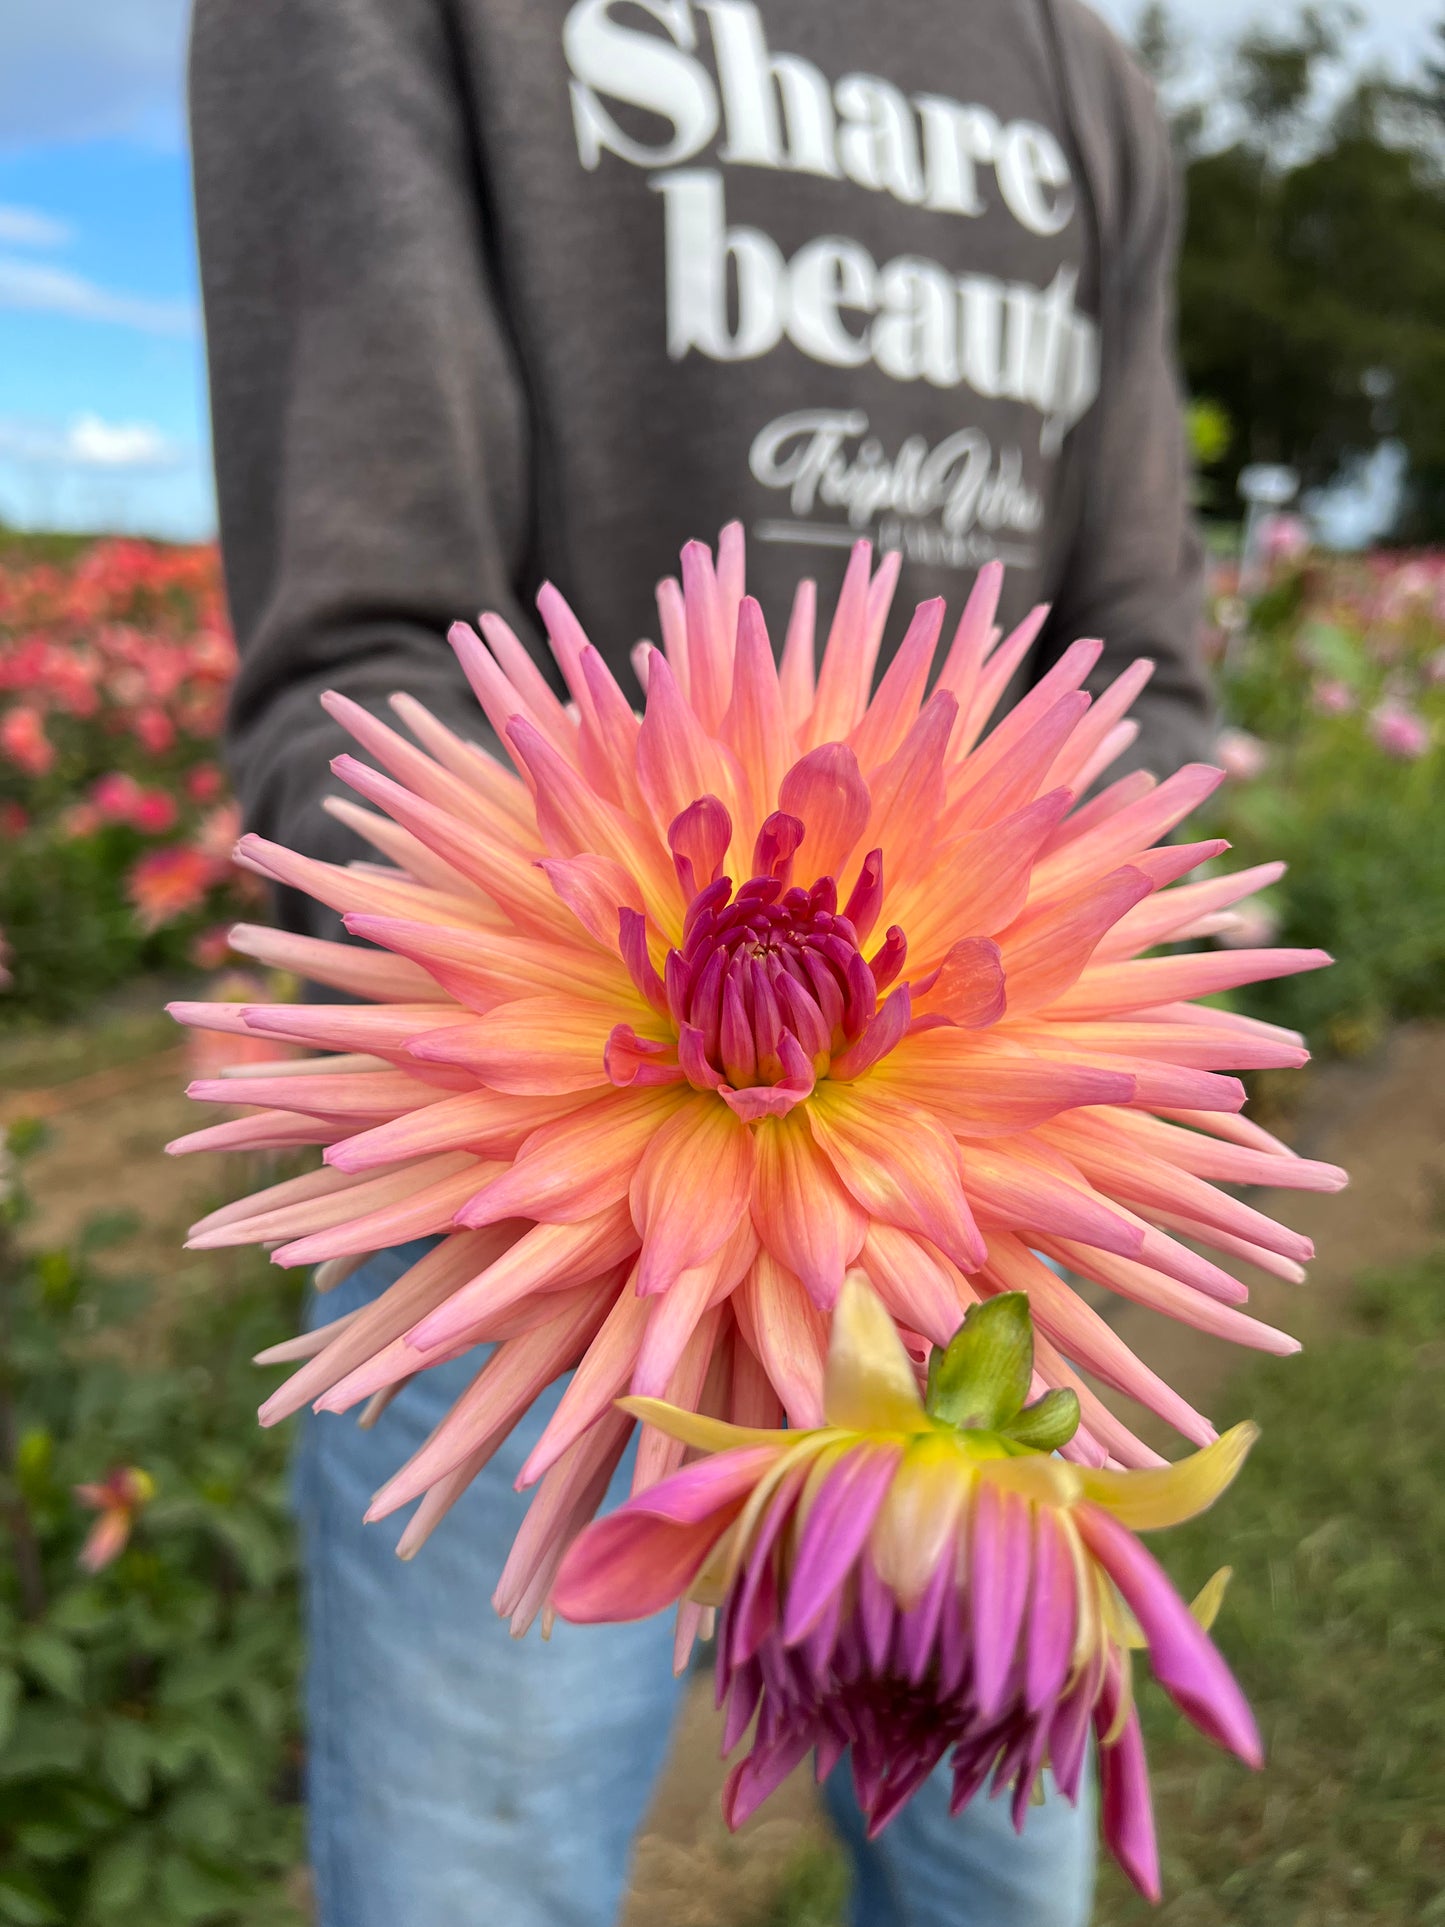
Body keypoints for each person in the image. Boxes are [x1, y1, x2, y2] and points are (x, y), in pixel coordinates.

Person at [190, 4, 1211, 1923]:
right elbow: (364, 656)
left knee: (995, 1837)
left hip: (987, 1219)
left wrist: (1119, 1016)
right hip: (523, 1220)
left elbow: (1146, 675)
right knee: (465, 1879)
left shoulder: (1072, 65)